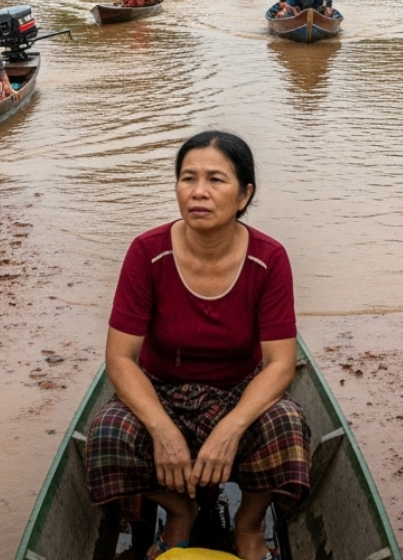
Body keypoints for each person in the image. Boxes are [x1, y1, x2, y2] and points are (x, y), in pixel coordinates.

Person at [85, 131, 310, 560]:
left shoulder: (269, 259)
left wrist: (231, 427)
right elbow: (120, 357)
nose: (199, 192)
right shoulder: (147, 253)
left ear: (244, 195)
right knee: (109, 434)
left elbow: (281, 363)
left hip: (237, 390)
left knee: (287, 425)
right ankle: (180, 509)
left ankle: (247, 523)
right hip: (160, 388)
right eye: (187, 178)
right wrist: (162, 429)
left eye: (216, 180)